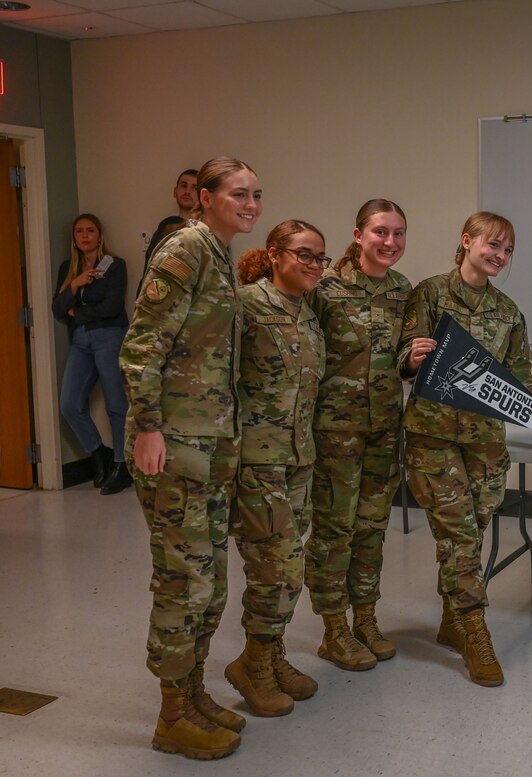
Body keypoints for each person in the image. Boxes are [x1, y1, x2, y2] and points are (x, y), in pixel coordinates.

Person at [398, 211, 532, 687]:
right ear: (467, 241)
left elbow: (519, 377)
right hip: (434, 437)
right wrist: (411, 358)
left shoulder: (508, 311)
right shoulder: (430, 294)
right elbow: (404, 353)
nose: (500, 255)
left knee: (473, 531)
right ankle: (476, 632)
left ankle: (449, 620)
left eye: (507, 250)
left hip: (484, 441)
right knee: (459, 537)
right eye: (493, 245)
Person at [120, 156, 261, 760]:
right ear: (204, 197)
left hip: (209, 444)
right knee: (183, 579)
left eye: (257, 194)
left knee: (210, 579)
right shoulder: (184, 250)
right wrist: (148, 426)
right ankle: (170, 715)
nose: (252, 203)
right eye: (238, 193)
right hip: (173, 442)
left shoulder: (220, 257)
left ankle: (194, 691)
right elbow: (143, 343)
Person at [224, 222, 327, 718]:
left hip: (298, 460)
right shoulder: (245, 306)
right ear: (274, 254)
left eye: (320, 258)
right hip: (257, 462)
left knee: (288, 569)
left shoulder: (308, 316)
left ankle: (269, 653)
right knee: (278, 567)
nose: (313, 264)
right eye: (304, 254)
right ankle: (254, 666)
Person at [304, 200, 411, 672]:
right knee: (335, 529)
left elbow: (402, 357)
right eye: (380, 232)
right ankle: (333, 628)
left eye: (399, 233)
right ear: (358, 234)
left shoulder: (403, 289)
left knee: (371, 528)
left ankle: (365, 617)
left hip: (385, 427)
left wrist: (414, 358)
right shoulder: (324, 288)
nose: (390, 242)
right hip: (336, 431)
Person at [50, 213, 131, 494]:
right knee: (69, 404)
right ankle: (101, 455)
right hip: (81, 340)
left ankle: (122, 465)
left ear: (99, 235)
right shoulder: (67, 268)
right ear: (73, 237)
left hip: (109, 336)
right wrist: (75, 283)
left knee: (115, 404)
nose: (85, 236)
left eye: (90, 230)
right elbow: (58, 308)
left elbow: (111, 308)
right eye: (79, 231)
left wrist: (78, 312)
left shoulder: (115, 265)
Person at [144, 168, 198, 265]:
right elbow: (150, 267)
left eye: (194, 188)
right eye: (184, 186)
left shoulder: (208, 230)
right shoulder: (165, 228)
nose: (187, 191)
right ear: (175, 192)